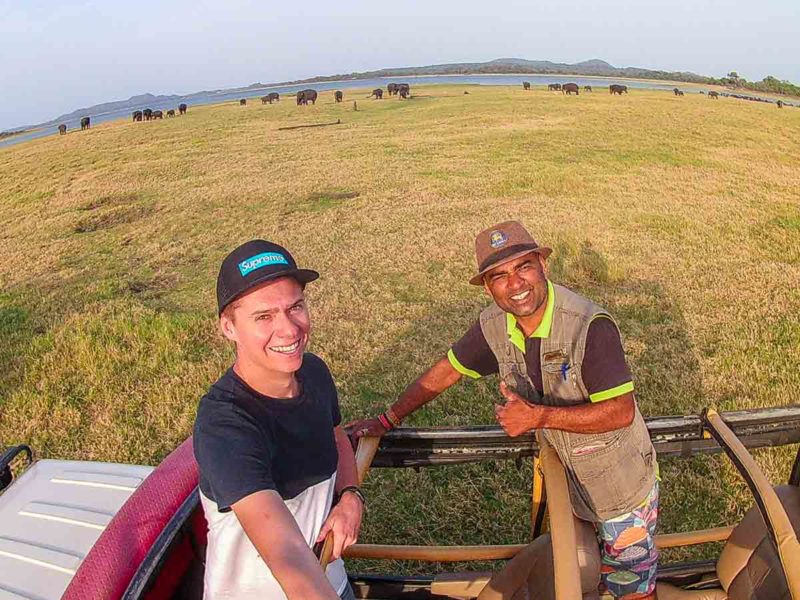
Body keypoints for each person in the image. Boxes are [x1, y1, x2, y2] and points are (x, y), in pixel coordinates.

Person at [348, 221, 659, 599]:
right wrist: (388, 418)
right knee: (582, 569)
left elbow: (620, 412)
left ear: (543, 266)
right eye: (499, 276)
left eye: (523, 267)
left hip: (618, 484)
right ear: (488, 287)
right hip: (567, 477)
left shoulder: (588, 327)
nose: (516, 284)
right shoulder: (494, 325)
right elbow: (447, 371)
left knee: (632, 586)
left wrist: (537, 417)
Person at [194, 240, 363, 600]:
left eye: (295, 307)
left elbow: (337, 438)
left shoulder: (314, 372)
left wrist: (350, 496)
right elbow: (287, 555)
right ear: (228, 327)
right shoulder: (224, 424)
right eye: (264, 316)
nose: (289, 330)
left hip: (331, 580)